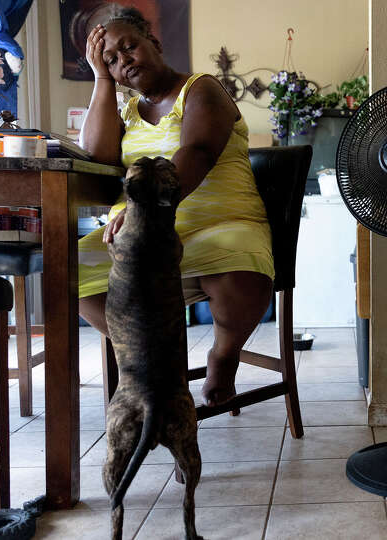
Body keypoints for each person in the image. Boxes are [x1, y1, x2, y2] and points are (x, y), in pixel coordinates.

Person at [76, 7, 274, 408]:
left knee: (235, 269)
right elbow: (96, 159)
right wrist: (101, 79)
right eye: (111, 59)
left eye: (129, 47)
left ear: (155, 43)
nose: (123, 61)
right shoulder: (125, 113)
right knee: (65, 272)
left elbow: (197, 153)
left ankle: (224, 354)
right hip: (140, 232)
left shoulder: (202, 89)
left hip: (218, 219)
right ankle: (160, 362)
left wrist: (144, 208)